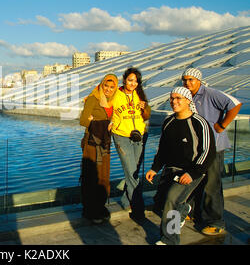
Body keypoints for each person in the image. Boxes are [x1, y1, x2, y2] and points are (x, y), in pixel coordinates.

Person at [146, 87, 216, 245]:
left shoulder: (199, 123)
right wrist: (154, 168)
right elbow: (163, 149)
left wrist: (192, 173)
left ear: (188, 101)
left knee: (171, 200)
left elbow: (208, 151)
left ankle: (169, 240)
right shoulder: (169, 122)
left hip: (191, 171)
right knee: (160, 203)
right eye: (172, 98)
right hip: (171, 170)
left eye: (178, 98)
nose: (174, 101)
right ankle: (184, 209)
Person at [182, 68, 242, 235]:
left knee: (212, 184)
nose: (187, 83)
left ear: (199, 80)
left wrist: (222, 125)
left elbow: (235, 104)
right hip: (197, 147)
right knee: (196, 180)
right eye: (185, 80)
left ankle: (215, 221)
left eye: (191, 80)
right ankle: (193, 213)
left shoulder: (210, 93)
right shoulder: (188, 96)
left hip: (213, 147)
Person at [110, 67, 151, 221]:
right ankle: (138, 207)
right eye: (130, 80)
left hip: (139, 136)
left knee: (134, 171)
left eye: (136, 81)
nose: (133, 83)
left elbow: (147, 115)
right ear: (124, 80)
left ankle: (126, 200)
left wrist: (144, 107)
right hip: (121, 136)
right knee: (132, 171)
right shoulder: (116, 94)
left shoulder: (139, 94)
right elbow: (101, 97)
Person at [79, 73, 118, 223]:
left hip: (104, 143)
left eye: (111, 87)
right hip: (91, 142)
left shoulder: (113, 101)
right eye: (106, 86)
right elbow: (83, 120)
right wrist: (99, 123)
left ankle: (100, 207)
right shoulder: (93, 98)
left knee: (103, 175)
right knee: (90, 176)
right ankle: (89, 209)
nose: (108, 89)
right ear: (101, 85)